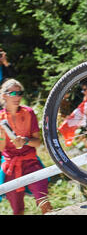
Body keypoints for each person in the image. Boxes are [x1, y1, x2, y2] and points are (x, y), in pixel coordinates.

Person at [0, 79, 53, 215]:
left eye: (20, 93)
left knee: (43, 201)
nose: (18, 96)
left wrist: (25, 141)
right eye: (13, 93)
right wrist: (1, 135)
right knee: (18, 210)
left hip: (31, 163)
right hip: (10, 167)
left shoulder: (28, 112)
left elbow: (37, 142)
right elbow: (1, 149)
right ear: (4, 95)